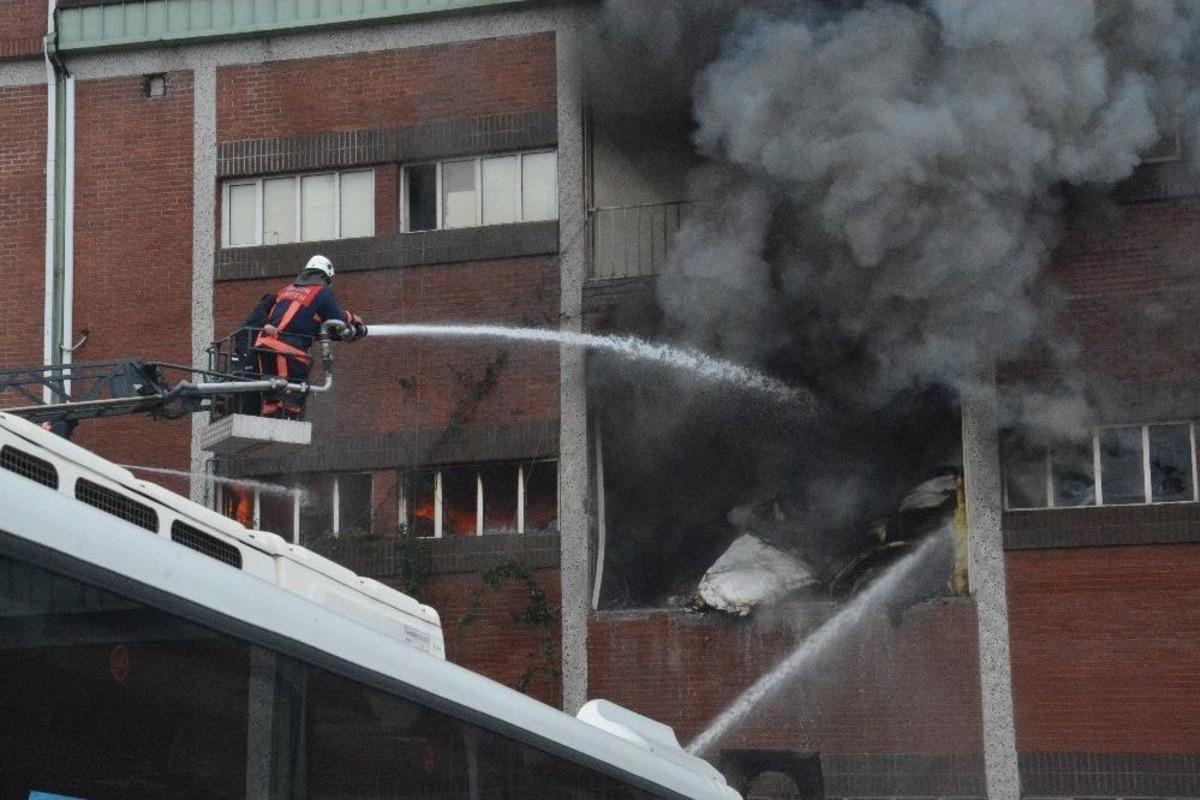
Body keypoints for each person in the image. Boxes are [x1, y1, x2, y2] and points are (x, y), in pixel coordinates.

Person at [254, 255, 365, 419]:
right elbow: (338, 319)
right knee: (294, 392)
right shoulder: (321, 291)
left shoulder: (287, 289)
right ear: (326, 276)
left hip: (263, 345)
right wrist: (353, 318)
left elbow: (301, 319)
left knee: (272, 392)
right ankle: (289, 426)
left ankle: (268, 424)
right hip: (288, 351)